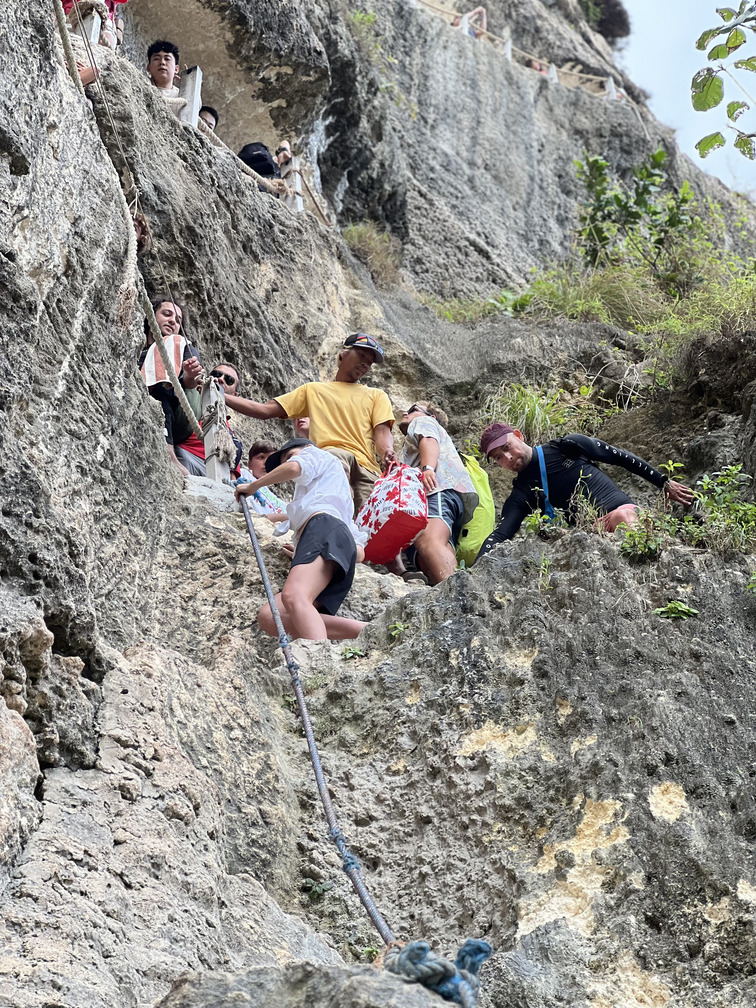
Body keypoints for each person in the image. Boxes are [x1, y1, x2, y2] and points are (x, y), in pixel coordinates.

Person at [476, 423, 694, 559]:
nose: (508, 458)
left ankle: (651, 561)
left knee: (622, 516)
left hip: (625, 515)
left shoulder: (566, 446)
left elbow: (620, 457)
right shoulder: (521, 493)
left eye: (507, 448)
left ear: (519, 435)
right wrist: (471, 573)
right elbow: (501, 534)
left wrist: (663, 482)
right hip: (588, 537)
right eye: (498, 458)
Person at [235, 439, 368, 641]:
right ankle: (366, 630)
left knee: (295, 596)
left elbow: (296, 467)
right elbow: (358, 553)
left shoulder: (317, 455)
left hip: (322, 528)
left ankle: (318, 663)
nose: (287, 462)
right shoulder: (333, 496)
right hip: (336, 545)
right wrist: (308, 552)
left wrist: (255, 485)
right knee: (270, 617)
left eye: (288, 456)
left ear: (306, 448)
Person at [399, 402, 478, 584]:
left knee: (428, 539)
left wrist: (427, 468)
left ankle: (457, 599)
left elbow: (428, 439)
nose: (406, 413)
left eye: (413, 409)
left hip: (435, 488)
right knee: (432, 550)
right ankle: (456, 592)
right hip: (446, 494)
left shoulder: (424, 422)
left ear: (430, 416)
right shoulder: (414, 435)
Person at [138, 297, 202, 476]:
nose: (173, 321)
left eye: (178, 320)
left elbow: (190, 383)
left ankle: (169, 453)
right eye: (166, 314)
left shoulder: (180, 344)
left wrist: (190, 375)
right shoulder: (137, 343)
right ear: (151, 316)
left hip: (178, 411)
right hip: (146, 392)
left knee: (162, 383)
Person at [175, 362, 244, 478]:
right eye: (217, 374)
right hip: (187, 460)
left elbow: (232, 474)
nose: (221, 379)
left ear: (235, 395)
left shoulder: (231, 436)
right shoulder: (191, 401)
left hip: (219, 474)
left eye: (229, 380)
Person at [238, 439, 288, 521]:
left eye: (271, 459)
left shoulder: (276, 499)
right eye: (261, 457)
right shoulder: (243, 475)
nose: (266, 463)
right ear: (249, 464)